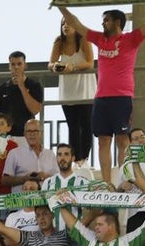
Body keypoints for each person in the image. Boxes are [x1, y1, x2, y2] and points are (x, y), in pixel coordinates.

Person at [56, 3, 145, 185]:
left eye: (106, 20)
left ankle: (123, 180)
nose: (103, 24)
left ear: (117, 22)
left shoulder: (131, 39)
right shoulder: (100, 39)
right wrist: (61, 7)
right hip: (101, 98)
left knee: (123, 141)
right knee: (103, 141)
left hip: (121, 98)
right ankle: (107, 184)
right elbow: (76, 23)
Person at [49, 20, 97, 163]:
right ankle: (76, 159)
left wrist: (73, 66)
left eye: (68, 23)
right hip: (68, 90)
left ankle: (84, 158)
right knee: (73, 126)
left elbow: (90, 63)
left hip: (85, 89)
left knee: (86, 124)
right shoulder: (58, 42)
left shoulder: (84, 40)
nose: (66, 26)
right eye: (63, 24)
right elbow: (50, 63)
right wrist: (55, 66)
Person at [0, 53, 44, 138]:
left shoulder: (34, 85)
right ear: (9, 67)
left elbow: (36, 110)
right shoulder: (2, 88)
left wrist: (22, 86)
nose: (16, 67)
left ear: (25, 65)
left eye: (19, 64)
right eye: (13, 64)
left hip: (26, 137)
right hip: (6, 137)